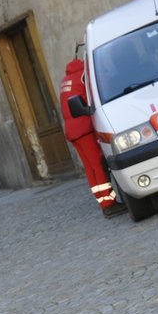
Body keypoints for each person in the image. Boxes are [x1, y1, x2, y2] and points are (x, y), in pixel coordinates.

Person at [58, 58, 124, 217]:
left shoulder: (66, 80)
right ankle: (109, 204)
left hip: (72, 130)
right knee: (98, 165)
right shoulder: (83, 75)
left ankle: (102, 201)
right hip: (84, 126)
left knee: (89, 167)